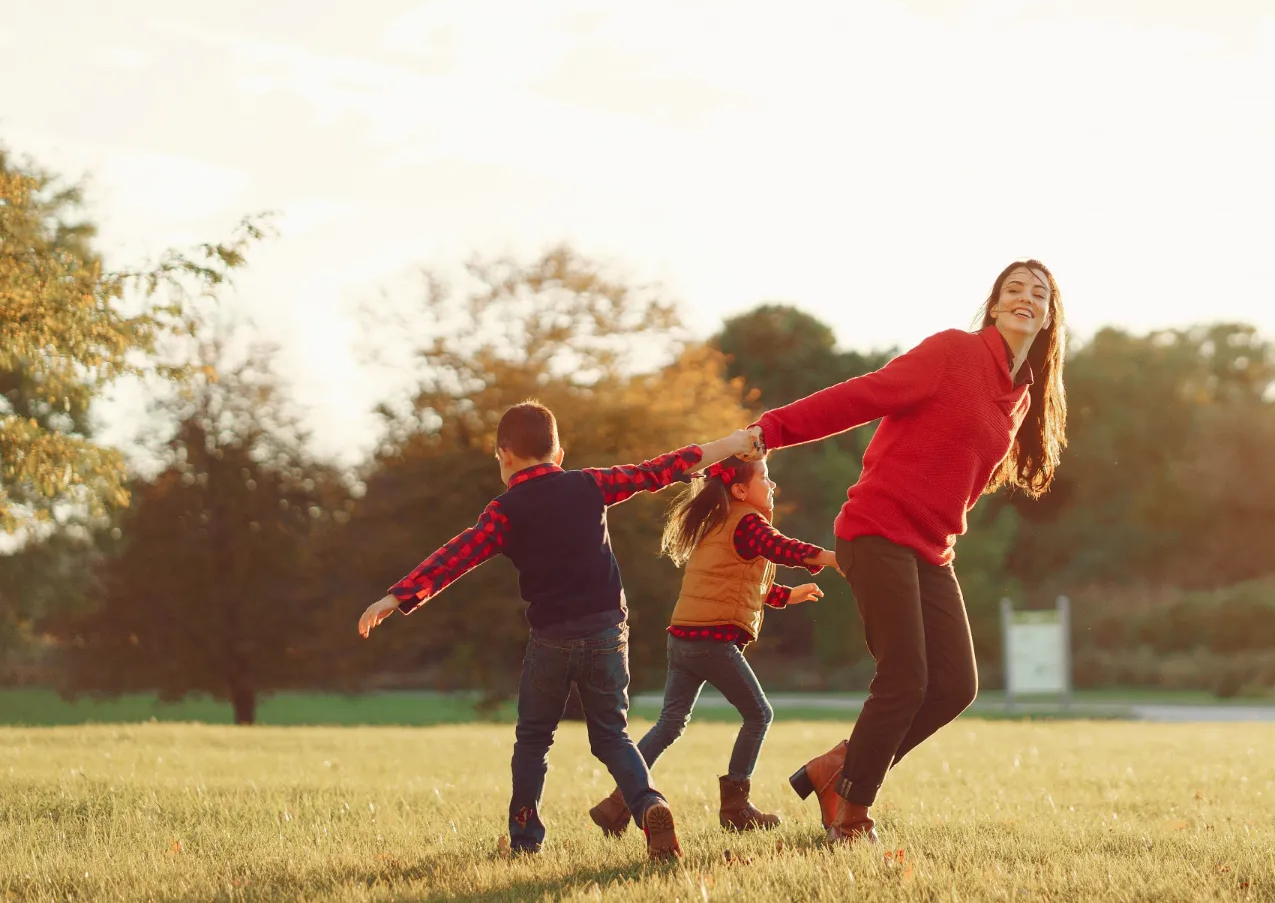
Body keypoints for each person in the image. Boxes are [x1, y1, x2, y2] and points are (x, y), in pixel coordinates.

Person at [744, 260, 1068, 843]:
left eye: (1038, 294)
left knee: (955, 686)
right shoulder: (953, 352)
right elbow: (863, 396)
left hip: (930, 548)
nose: (1026, 298)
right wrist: (773, 430)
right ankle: (851, 813)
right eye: (1013, 289)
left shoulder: (1019, 396)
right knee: (905, 678)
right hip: (876, 529)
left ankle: (838, 767)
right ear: (994, 306)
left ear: (1049, 317)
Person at [357, 400, 760, 860]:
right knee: (612, 736)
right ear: (560, 454)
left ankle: (525, 839)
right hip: (608, 632)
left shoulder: (504, 510)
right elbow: (659, 470)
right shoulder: (589, 484)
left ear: (504, 455)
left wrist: (397, 597)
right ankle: (648, 804)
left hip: (550, 639)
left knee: (533, 738)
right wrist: (731, 444)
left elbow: (458, 555)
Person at [587, 453, 833, 836]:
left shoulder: (719, 522)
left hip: (684, 636)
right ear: (739, 489)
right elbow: (783, 548)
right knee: (759, 714)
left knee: (669, 724)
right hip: (711, 642)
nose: (772, 485)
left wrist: (787, 595)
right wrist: (836, 558)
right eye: (764, 478)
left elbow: (737, 581)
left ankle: (617, 804)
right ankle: (735, 807)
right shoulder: (748, 521)